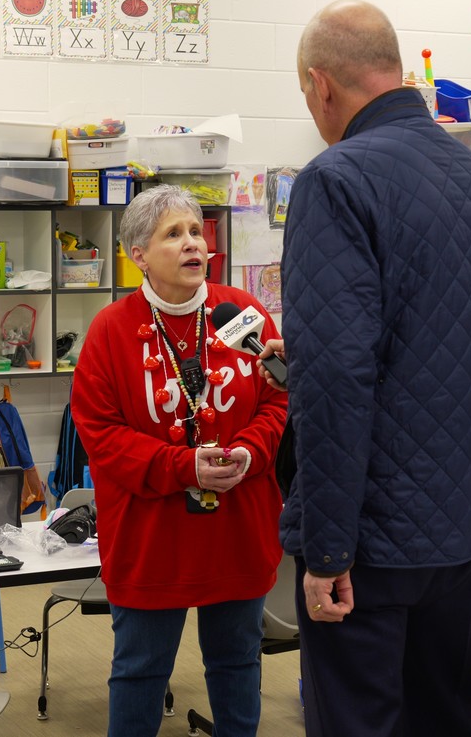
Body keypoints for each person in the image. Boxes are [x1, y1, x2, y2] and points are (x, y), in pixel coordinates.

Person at [270, 0, 471, 737]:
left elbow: (339, 379)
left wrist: (328, 548)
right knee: (444, 718)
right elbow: (455, 345)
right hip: (465, 525)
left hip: (372, 536)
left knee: (358, 722)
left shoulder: (335, 180)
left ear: (321, 85)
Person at [70, 184, 288, 737]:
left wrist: (249, 450)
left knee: (238, 662)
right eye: (174, 234)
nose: (193, 244)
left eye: (197, 231)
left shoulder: (243, 312)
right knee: (141, 671)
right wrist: (183, 467)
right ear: (138, 254)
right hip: (151, 535)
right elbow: (101, 435)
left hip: (237, 527)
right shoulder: (110, 331)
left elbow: (277, 398)